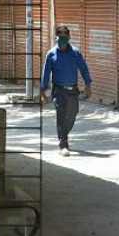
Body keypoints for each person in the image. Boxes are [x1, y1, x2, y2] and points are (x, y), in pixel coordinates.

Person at [40, 26, 92, 156]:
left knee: (72, 114)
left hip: (73, 90)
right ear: (56, 37)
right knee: (61, 115)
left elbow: (84, 68)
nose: (62, 38)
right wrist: (43, 91)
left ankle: (64, 136)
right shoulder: (51, 54)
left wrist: (88, 85)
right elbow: (46, 73)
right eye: (60, 35)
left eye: (65, 36)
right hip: (59, 91)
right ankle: (63, 143)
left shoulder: (75, 53)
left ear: (69, 37)